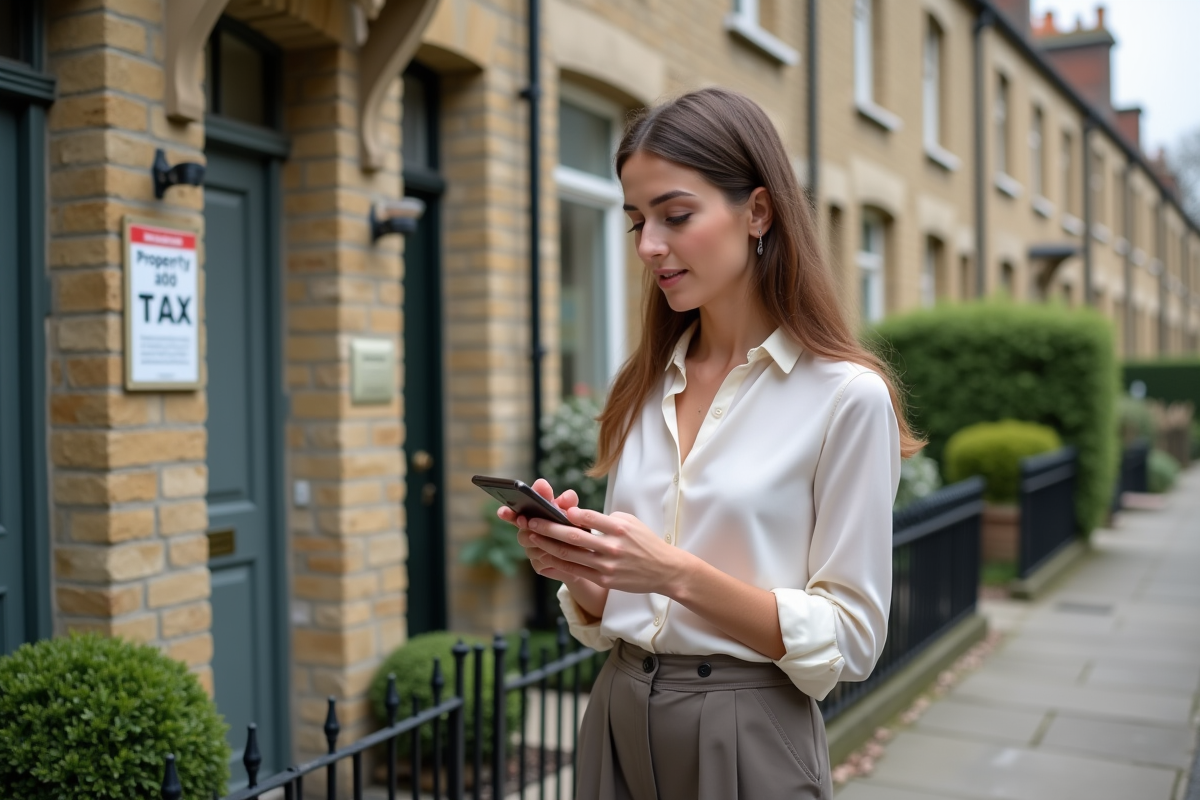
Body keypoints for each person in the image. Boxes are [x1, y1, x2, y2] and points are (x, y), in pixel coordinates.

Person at [499, 87, 923, 800]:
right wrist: (582, 569)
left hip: (746, 728)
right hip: (616, 712)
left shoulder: (846, 397)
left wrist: (675, 574)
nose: (648, 246)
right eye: (637, 221)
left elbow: (851, 637)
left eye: (675, 215)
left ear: (758, 211)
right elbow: (628, 606)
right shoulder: (643, 384)